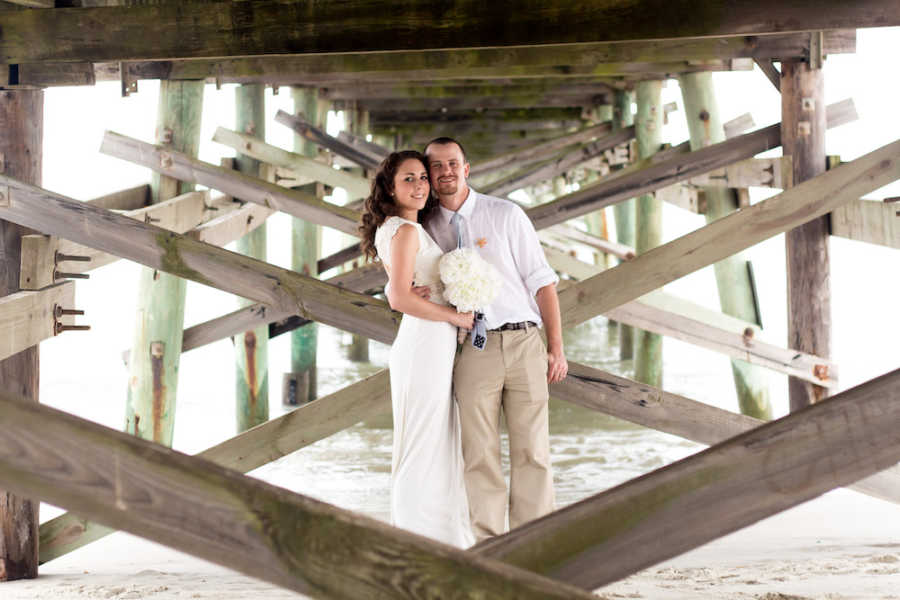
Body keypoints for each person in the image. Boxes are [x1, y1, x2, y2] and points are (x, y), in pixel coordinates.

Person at [423, 137, 568, 542]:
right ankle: (489, 545)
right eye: (436, 166)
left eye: (453, 163)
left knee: (532, 451)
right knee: (479, 453)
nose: (446, 171)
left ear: (466, 168)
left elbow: (542, 283)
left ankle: (534, 543)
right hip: (472, 350)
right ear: (430, 175)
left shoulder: (506, 215)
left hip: (523, 343)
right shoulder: (427, 226)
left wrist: (556, 347)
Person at [359, 150, 475, 548]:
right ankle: (414, 539)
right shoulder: (405, 231)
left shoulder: (394, 228)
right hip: (426, 340)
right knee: (423, 443)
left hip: (426, 340)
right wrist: (455, 316)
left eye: (423, 177)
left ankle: (431, 536)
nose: (421, 185)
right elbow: (398, 299)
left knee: (428, 439)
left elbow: (403, 288)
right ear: (389, 188)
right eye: (409, 178)